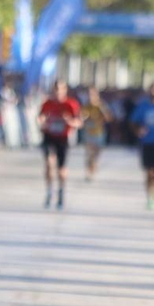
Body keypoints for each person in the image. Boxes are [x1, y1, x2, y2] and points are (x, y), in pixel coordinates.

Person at [38, 81, 83, 210]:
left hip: (63, 138)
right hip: (49, 136)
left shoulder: (71, 104)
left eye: (60, 89)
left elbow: (79, 122)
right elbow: (40, 117)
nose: (58, 92)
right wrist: (42, 122)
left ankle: (61, 191)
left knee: (61, 169)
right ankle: (49, 190)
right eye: (56, 89)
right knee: (48, 163)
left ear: (65, 90)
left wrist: (69, 121)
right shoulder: (48, 103)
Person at [77, 86, 110, 181]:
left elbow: (108, 118)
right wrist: (84, 117)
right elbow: (81, 117)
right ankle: (89, 172)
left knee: (96, 154)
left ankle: (94, 165)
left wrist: (101, 110)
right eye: (89, 94)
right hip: (88, 133)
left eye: (93, 94)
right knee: (89, 154)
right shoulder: (86, 106)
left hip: (99, 133)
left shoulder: (101, 105)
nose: (91, 96)